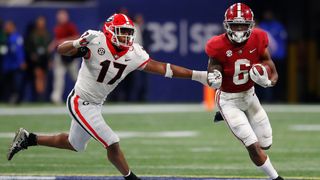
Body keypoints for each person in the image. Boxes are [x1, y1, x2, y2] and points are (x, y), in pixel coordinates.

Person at [7, 13, 208, 180]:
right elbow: (61, 50)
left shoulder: (134, 53)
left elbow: (164, 68)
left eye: (129, 33)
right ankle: (131, 178)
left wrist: (198, 76)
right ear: (110, 30)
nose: (126, 37)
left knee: (74, 144)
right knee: (112, 141)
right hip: (80, 101)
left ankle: (29, 138)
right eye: (122, 32)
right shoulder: (95, 40)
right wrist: (78, 42)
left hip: (95, 104)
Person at [206, 3, 283, 180]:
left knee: (266, 143)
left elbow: (268, 62)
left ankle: (231, 116)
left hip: (250, 96)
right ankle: (276, 178)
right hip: (228, 100)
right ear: (226, 25)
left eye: (243, 25)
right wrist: (214, 75)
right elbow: (213, 69)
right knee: (253, 145)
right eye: (235, 25)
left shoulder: (259, 37)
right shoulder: (217, 44)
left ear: (251, 25)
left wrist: (270, 80)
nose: (239, 29)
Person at [49, 9, 79, 104]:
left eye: (63, 15)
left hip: (71, 54)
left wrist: (63, 40)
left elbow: (77, 37)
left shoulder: (70, 26)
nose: (61, 17)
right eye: (59, 15)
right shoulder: (57, 27)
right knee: (58, 77)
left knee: (77, 78)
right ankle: (56, 98)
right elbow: (56, 41)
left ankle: (83, 97)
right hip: (60, 56)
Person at [1, 20, 26, 104]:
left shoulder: (15, 38)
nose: (6, 28)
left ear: (12, 27)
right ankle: (9, 98)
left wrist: (21, 62)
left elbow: (18, 52)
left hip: (14, 65)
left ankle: (15, 99)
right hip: (7, 65)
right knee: (8, 84)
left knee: (15, 84)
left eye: (8, 26)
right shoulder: (7, 37)